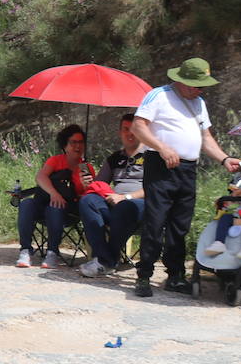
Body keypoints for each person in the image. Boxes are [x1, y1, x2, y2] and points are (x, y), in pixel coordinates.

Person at [130, 58, 240, 297]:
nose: (200, 90)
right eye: (196, 85)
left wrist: (224, 159)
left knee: (180, 225)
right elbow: (138, 126)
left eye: (203, 86)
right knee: (155, 221)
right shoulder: (158, 96)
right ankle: (144, 276)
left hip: (187, 170)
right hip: (160, 166)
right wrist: (161, 147)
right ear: (182, 80)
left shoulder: (199, 103)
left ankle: (175, 275)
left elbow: (206, 138)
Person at [15, 124, 96, 270]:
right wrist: (54, 193)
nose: (78, 146)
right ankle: (25, 250)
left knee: (55, 208)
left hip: (69, 211)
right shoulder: (56, 161)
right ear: (65, 145)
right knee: (26, 204)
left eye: (81, 142)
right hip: (45, 202)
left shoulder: (86, 168)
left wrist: (86, 186)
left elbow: (88, 195)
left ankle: (52, 253)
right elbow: (40, 177)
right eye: (73, 142)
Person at [78, 114, 147, 278]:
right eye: (125, 129)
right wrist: (87, 184)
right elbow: (99, 185)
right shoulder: (114, 158)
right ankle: (106, 258)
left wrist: (126, 197)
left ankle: (106, 261)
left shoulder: (152, 157)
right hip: (116, 206)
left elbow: (154, 188)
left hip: (141, 207)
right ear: (120, 132)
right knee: (87, 200)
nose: (129, 134)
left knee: (126, 206)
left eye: (134, 130)